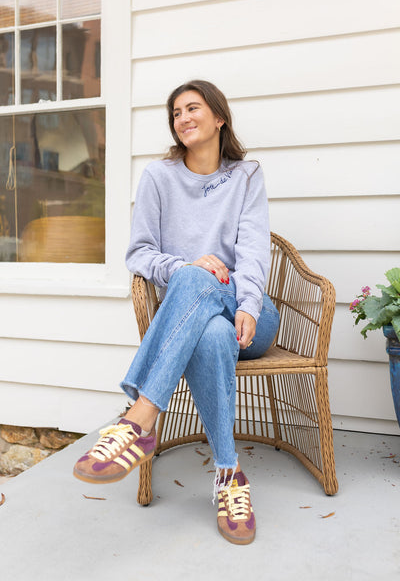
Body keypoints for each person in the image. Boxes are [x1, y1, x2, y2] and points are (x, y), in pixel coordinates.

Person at [73, 80, 280, 545]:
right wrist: (184, 267)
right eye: (176, 113)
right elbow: (140, 253)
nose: (183, 118)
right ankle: (230, 476)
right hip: (197, 320)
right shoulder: (158, 178)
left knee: (203, 290)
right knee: (205, 325)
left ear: (219, 117)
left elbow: (253, 251)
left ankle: (139, 418)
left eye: (193, 108)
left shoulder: (247, 175)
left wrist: (248, 303)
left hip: (249, 315)